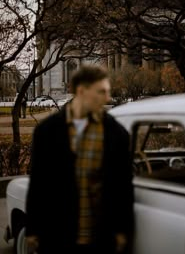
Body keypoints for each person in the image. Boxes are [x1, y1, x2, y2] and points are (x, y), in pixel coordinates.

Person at [25, 65, 134, 254]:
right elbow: (38, 183)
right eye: (101, 92)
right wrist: (33, 229)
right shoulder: (46, 132)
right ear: (82, 91)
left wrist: (123, 230)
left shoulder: (116, 133)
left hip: (101, 237)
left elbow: (123, 186)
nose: (107, 98)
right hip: (57, 236)